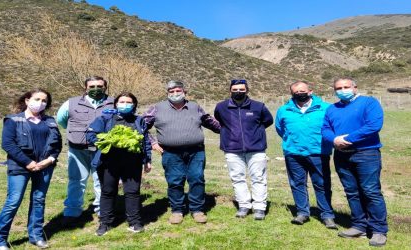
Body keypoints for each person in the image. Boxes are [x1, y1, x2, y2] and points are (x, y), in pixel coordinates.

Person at [0, 89, 62, 250]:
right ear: (27, 100)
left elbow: (57, 144)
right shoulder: (13, 120)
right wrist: (28, 162)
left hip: (45, 166)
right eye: (37, 99)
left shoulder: (50, 121)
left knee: (39, 200)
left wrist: (49, 160)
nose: (41, 103)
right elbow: (8, 144)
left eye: (44, 100)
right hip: (20, 167)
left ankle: (36, 235)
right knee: (13, 202)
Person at [322, 77, 388, 247]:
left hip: (366, 153)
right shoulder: (332, 108)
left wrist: (349, 138)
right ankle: (359, 225)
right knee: (351, 191)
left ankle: (378, 229)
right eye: (338, 88)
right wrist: (335, 139)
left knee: (371, 191)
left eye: (346, 86)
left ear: (355, 87)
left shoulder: (369, 103)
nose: (342, 90)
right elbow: (325, 129)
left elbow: (373, 125)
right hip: (341, 155)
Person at [143, 80, 220, 224]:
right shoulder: (157, 108)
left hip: (196, 152)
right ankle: (177, 210)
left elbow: (211, 122)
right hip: (171, 153)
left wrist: (228, 128)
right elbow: (140, 126)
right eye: (171, 92)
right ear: (167, 94)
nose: (175, 94)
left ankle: (197, 210)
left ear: (185, 92)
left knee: (197, 179)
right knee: (175, 181)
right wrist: (152, 142)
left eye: (178, 91)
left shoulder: (195, 107)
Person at [87, 92, 152, 236]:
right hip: (108, 163)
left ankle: (134, 222)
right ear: (116, 103)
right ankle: (106, 222)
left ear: (134, 105)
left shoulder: (139, 120)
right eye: (122, 101)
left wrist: (147, 160)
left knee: (132, 192)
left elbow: (145, 140)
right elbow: (90, 135)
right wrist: (107, 140)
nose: (125, 104)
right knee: (108, 191)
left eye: (129, 102)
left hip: (132, 163)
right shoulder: (105, 118)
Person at [275, 81, 337, 229]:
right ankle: (302, 212)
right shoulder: (284, 110)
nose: (299, 94)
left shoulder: (326, 108)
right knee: (297, 184)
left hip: (318, 152)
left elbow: (332, 128)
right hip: (293, 153)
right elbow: (280, 129)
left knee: (322, 184)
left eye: (302, 91)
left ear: (310, 91)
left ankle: (327, 215)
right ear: (291, 93)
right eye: (295, 92)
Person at [57, 76, 114, 224]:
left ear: (105, 87)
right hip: (77, 150)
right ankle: (72, 211)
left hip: (102, 150)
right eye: (92, 86)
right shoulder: (71, 103)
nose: (96, 89)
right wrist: (74, 134)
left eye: (100, 86)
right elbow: (61, 120)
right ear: (86, 88)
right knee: (77, 180)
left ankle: (102, 210)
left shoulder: (112, 103)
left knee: (100, 180)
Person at [214, 79, 273, 220]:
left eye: (241, 89)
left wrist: (254, 134)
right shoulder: (221, 107)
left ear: (247, 90)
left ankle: (259, 207)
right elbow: (219, 120)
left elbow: (268, 120)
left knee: (258, 178)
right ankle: (244, 205)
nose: (238, 92)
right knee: (237, 178)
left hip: (256, 148)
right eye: (235, 90)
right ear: (230, 91)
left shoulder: (258, 106)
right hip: (232, 148)